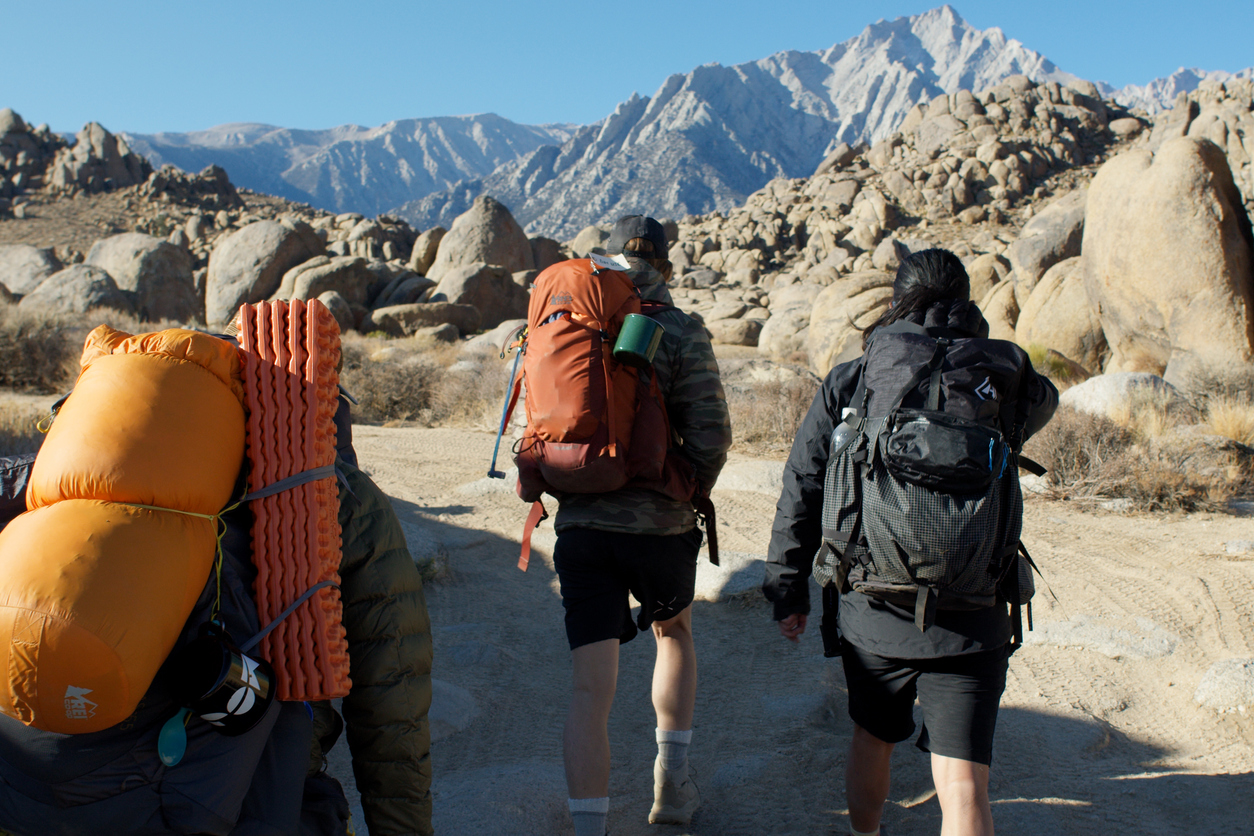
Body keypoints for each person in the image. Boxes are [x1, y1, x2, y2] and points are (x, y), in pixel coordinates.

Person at [0, 393, 434, 836]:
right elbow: (393, 695)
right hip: (230, 806)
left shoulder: (56, 471)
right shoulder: (334, 492)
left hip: (22, 799)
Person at [763, 248, 1057, 836]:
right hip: (973, 606)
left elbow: (804, 481)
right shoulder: (1004, 373)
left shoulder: (858, 375)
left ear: (898, 297)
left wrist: (787, 588)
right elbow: (1045, 401)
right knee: (966, 784)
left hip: (874, 602)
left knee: (873, 741)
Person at [553, 216, 732, 835]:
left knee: (588, 691)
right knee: (674, 634)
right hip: (659, 526)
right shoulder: (678, 327)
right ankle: (671, 789)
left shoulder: (570, 320)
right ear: (665, 261)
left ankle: (590, 829)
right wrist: (684, 490)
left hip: (581, 526)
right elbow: (711, 435)